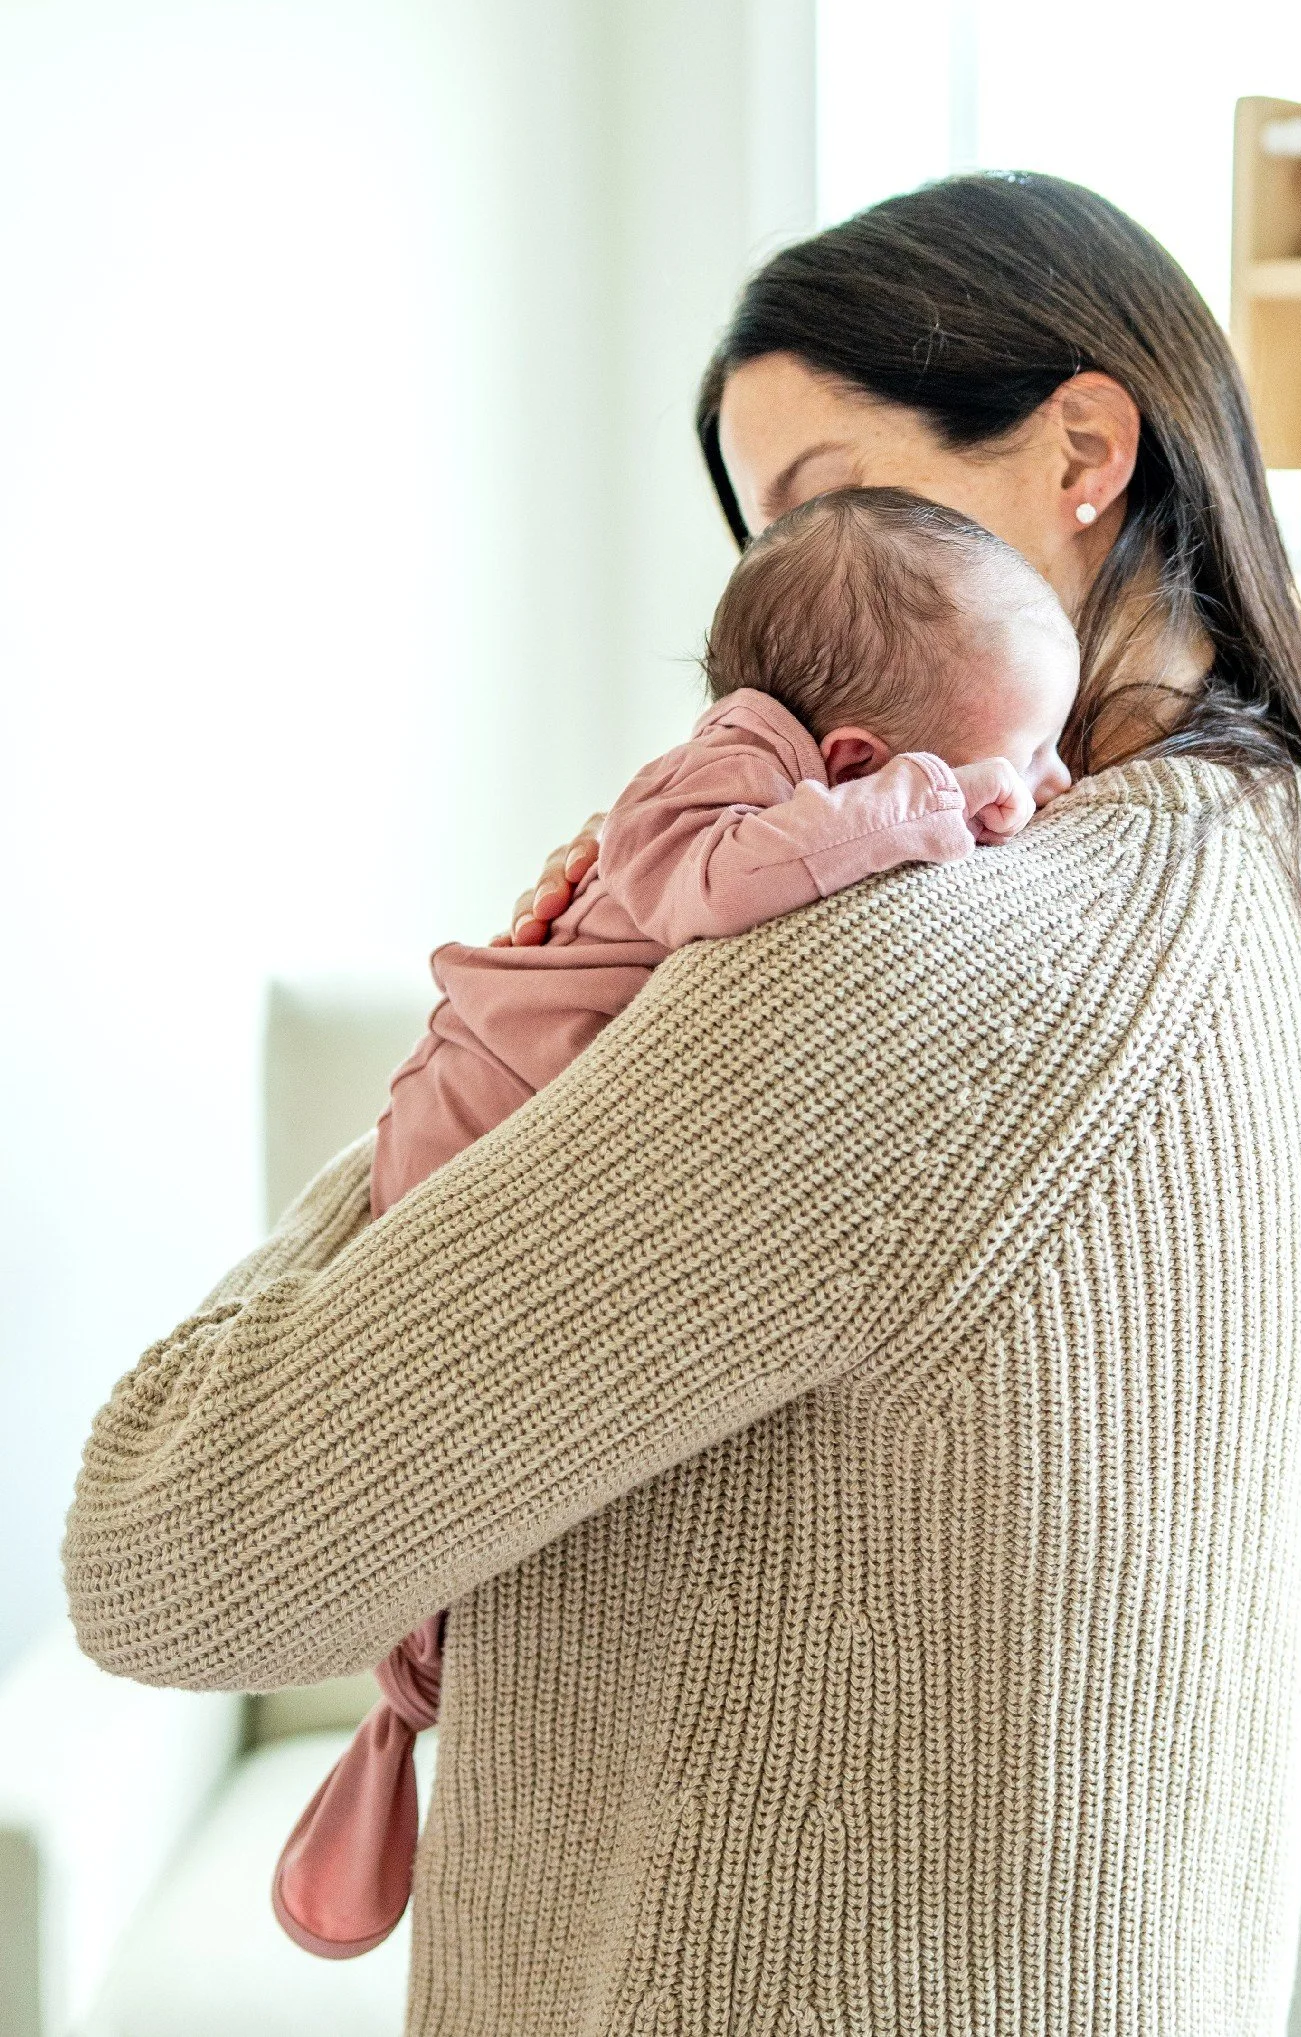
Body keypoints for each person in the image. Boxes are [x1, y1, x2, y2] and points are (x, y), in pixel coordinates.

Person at [63, 172, 1301, 2037]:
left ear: (1084, 451)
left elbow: (173, 1552)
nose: (792, 632)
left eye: (839, 504)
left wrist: (523, 1011)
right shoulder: (1265, 866)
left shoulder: (927, 969)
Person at [271, 483, 1079, 1957]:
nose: (1035, 791)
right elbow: (713, 890)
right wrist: (919, 810)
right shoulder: (713, 787)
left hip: (525, 1102)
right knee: (444, 1445)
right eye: (1015, 761)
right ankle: (399, 1703)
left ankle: (403, 1719)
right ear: (852, 760)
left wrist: (976, 790)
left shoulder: (795, 780)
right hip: (477, 1113)